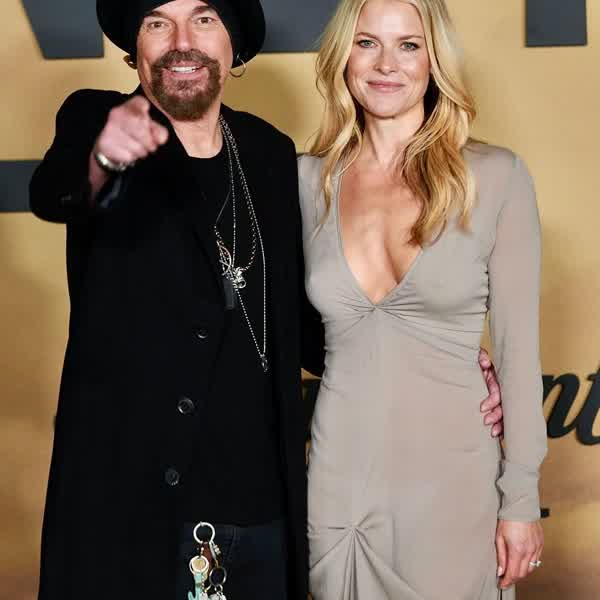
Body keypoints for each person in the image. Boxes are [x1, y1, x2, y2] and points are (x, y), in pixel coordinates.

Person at [30, 0, 504, 598]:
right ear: (135, 51)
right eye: (157, 23)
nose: (182, 40)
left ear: (233, 46)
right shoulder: (97, 118)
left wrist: (444, 363)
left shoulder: (269, 154)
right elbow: (57, 192)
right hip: (135, 517)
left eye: (204, 19)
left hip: (264, 514)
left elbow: (309, 326)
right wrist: (104, 157)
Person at [298, 0, 547, 598]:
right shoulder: (306, 182)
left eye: (408, 45)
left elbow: (518, 353)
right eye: (367, 43)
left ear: (435, 60)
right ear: (342, 57)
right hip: (338, 484)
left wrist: (520, 496)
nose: (386, 64)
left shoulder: (495, 177)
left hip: (453, 480)